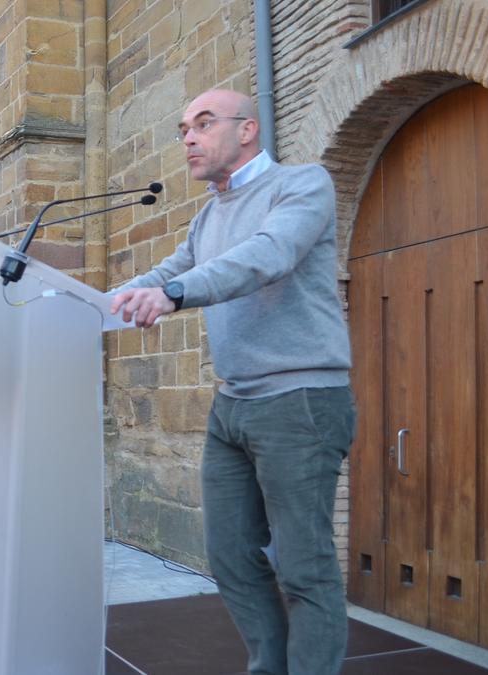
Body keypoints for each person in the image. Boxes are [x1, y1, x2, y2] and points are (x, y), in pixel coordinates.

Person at [110, 89, 356, 675]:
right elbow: (170, 269)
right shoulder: (207, 214)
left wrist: (168, 296)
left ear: (247, 130)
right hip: (233, 404)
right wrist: (94, 304)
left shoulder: (303, 185)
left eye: (202, 124)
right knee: (229, 556)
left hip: (299, 401)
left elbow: (266, 255)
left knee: (304, 567)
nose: (188, 139)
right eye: (182, 128)